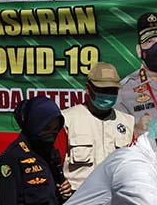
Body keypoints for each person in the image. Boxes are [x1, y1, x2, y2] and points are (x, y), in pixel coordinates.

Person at [57, 62, 134, 192]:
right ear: (88, 88)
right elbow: (53, 163)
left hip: (115, 198)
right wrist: (61, 185)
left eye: (112, 90)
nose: (108, 94)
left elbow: (133, 164)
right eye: (102, 90)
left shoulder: (127, 122)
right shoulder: (67, 119)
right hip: (77, 199)